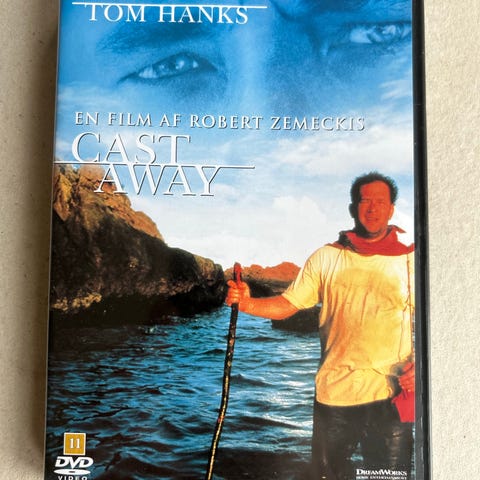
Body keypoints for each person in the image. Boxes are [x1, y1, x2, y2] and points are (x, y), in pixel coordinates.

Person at [226, 172, 415, 480]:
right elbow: (287, 304)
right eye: (364, 201)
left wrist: (424, 367)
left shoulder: (410, 260)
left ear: (392, 209)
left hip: (390, 397)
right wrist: (245, 303)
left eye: (380, 202)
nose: (372, 208)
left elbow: (440, 320)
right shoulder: (326, 257)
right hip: (334, 395)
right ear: (352, 208)